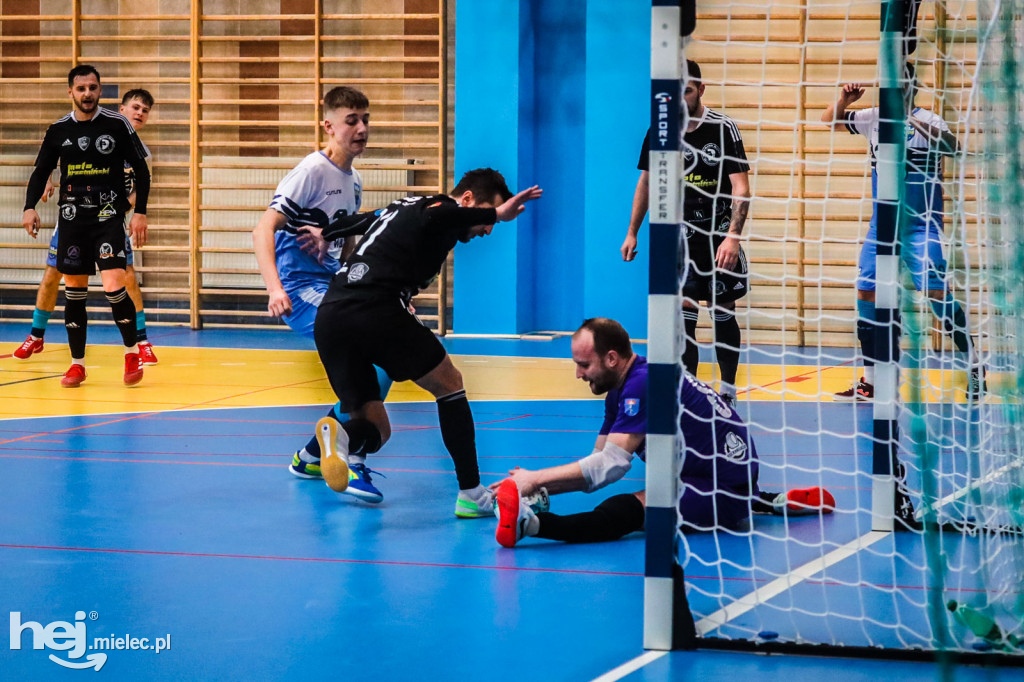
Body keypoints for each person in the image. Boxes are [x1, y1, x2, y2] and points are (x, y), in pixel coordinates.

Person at [303, 169, 542, 517]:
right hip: (374, 308)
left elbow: (363, 220)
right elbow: (444, 213)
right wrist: (497, 214)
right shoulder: (438, 208)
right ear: (469, 200)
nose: (487, 230)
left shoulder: (402, 207)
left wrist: (325, 233)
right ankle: (471, 494)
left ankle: (340, 439)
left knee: (377, 430)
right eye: (485, 217)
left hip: (333, 314)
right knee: (450, 385)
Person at [491, 317, 834, 548]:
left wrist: (535, 480)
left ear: (611, 358)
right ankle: (767, 501)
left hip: (720, 488)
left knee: (624, 510)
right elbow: (595, 462)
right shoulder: (622, 389)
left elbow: (608, 468)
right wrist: (537, 488)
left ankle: (532, 527)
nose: (579, 375)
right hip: (718, 476)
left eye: (584, 365)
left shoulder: (642, 383)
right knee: (641, 496)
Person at [252, 85, 394, 503]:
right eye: (352, 120)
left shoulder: (354, 181)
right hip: (300, 290)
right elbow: (263, 229)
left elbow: (346, 247)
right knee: (368, 359)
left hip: (330, 285)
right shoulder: (310, 172)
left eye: (365, 119)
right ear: (328, 125)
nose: (361, 128)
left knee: (380, 363)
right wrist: (275, 289)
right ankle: (353, 459)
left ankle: (314, 453)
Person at [821, 64, 984, 401]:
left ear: (911, 86)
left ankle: (973, 363)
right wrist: (844, 99)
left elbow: (954, 147)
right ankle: (871, 380)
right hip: (882, 229)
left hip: (921, 228)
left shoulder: (930, 120)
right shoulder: (873, 118)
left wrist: (909, 120)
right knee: (866, 294)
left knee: (938, 297)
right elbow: (830, 121)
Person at [620, 59, 751, 406]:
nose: (680, 98)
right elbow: (646, 182)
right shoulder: (660, 132)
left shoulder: (723, 129)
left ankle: (728, 390)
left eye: (687, 91)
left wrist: (733, 237)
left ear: (700, 90)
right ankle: (691, 391)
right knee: (685, 319)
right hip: (680, 241)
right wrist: (632, 232)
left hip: (718, 235)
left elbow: (741, 187)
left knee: (723, 311)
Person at [22, 65, 151, 387]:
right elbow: (41, 172)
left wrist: (140, 212)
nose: (88, 94)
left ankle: (132, 352)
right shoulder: (57, 130)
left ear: (100, 91)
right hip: (71, 221)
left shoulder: (117, 124)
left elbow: (142, 171)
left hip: (107, 218)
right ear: (71, 92)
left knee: (113, 286)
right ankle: (77, 364)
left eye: (93, 88)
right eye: (81, 89)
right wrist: (29, 207)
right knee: (74, 292)